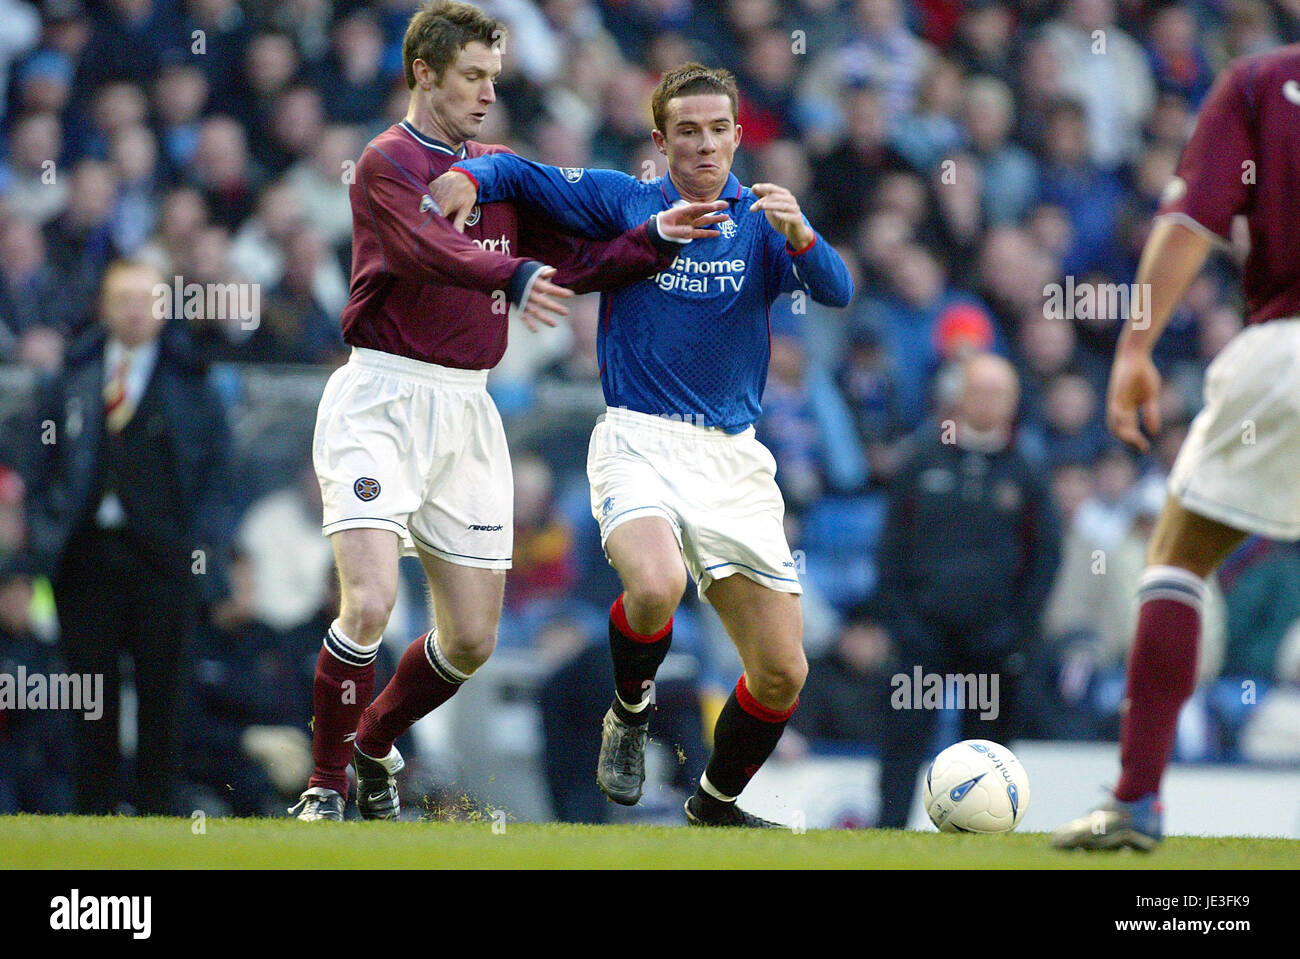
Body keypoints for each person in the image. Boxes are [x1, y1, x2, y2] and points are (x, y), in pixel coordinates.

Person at [293, 1, 727, 821]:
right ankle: (322, 788)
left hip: (468, 410)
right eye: (472, 76)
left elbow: (577, 259)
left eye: (495, 76)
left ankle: (374, 743)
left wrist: (658, 237)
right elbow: (428, 248)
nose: (489, 92)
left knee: (471, 640)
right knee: (371, 602)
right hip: (382, 399)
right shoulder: (387, 162)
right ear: (424, 73)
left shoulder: (497, 171)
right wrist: (512, 277)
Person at [432, 61, 854, 826]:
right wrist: (472, 174)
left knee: (783, 671)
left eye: (718, 130)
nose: (704, 146)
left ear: (735, 136)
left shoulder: (762, 219)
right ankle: (628, 714)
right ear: (660, 140)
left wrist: (805, 235)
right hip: (639, 440)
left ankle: (714, 804)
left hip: (731, 455)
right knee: (656, 585)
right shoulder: (626, 199)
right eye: (686, 131)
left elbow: (837, 289)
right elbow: (524, 175)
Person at [1053, 44, 1300, 851]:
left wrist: (1134, 350)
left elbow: (1191, 219)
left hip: (1284, 349)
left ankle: (1137, 800)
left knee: (1178, 553)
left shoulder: (1264, 82)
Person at [22, 258, 233, 815]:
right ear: (103, 306)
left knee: (165, 692)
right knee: (89, 695)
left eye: (148, 298)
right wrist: (46, 538)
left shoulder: (194, 382)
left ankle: (157, 813)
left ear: (166, 308)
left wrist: (202, 551)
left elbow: (216, 477)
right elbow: (40, 466)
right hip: (85, 558)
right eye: (123, 298)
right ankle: (93, 812)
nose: (136, 309)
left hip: (166, 563)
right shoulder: (71, 377)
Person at [873, 353, 1060, 828]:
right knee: (903, 744)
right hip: (923, 636)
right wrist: (901, 623)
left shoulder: (1028, 473)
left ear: (1015, 401)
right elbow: (890, 548)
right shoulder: (921, 462)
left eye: (1000, 392)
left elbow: (1046, 558)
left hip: (995, 640)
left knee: (992, 757)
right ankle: (888, 834)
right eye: (979, 390)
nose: (989, 400)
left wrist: (1018, 630)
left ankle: (982, 837)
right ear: (958, 396)